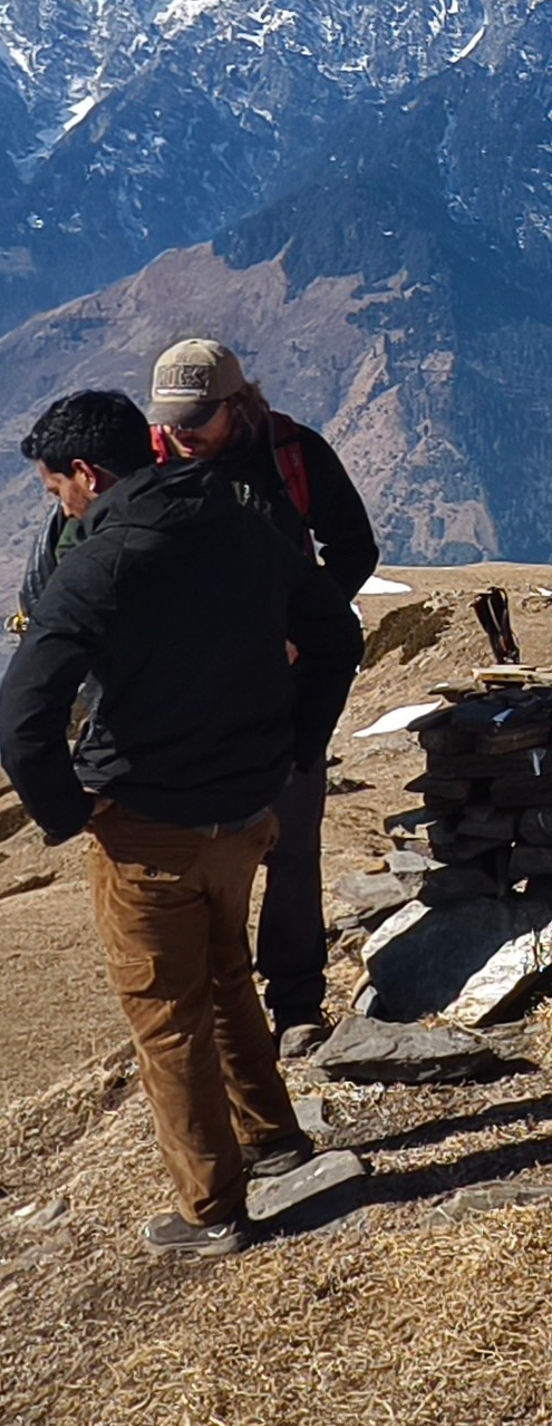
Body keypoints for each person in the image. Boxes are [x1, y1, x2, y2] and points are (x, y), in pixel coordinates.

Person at [0, 391, 363, 1256]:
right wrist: (294, 747)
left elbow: (20, 718)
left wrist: (71, 810)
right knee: (228, 975)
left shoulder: (98, 563)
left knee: (168, 1013)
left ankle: (211, 1212)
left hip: (148, 825)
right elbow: (337, 638)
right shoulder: (245, 522)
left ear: (88, 474)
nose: (62, 507)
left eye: (58, 492)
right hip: (245, 810)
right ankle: (274, 1139)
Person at [146, 338, 379, 1056]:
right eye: (174, 417)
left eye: (200, 416)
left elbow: (354, 547)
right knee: (191, 855)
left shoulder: (292, 454)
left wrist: (301, 629)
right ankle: (215, 1008)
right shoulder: (142, 460)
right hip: (183, 699)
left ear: (239, 403)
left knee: (290, 840)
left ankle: (296, 1004)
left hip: (287, 688)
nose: (184, 431)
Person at [16, 388, 151, 627]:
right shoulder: (215, 520)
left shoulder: (91, 569)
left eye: (58, 491)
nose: (66, 510)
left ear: (85, 474)